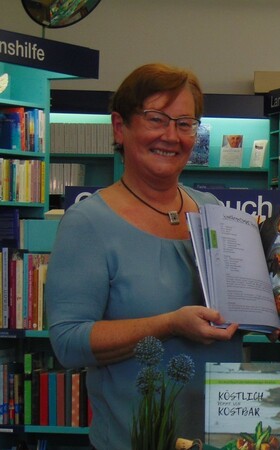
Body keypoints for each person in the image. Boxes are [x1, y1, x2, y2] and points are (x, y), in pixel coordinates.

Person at [45, 63, 247, 449]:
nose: (171, 136)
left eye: (185, 123)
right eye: (156, 119)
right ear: (120, 127)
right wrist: (169, 324)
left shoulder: (212, 211)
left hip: (223, 436)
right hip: (135, 439)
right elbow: (68, 342)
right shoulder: (88, 223)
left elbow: (233, 311)